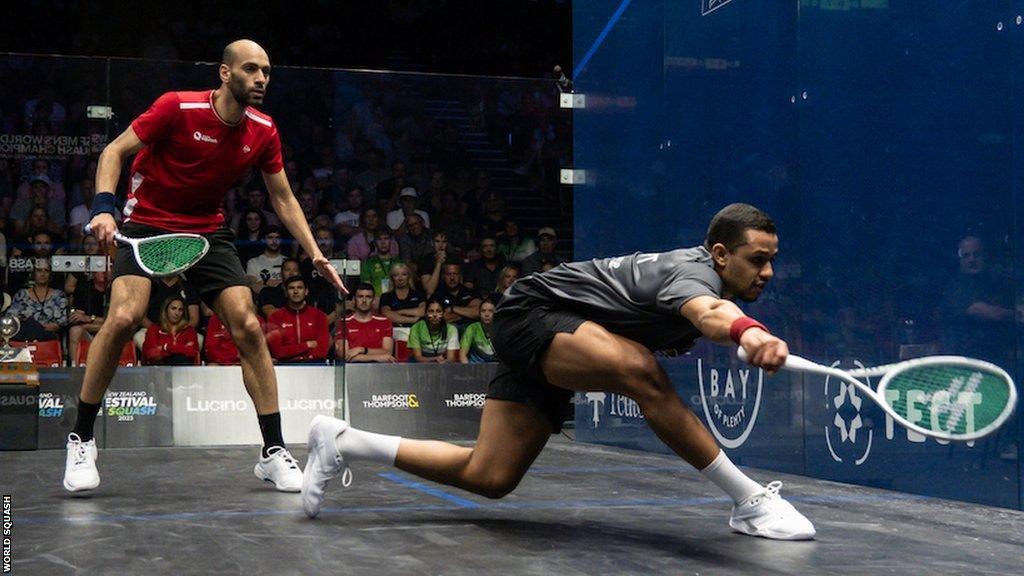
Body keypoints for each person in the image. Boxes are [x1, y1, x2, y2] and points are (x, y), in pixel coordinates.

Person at [302, 203, 816, 541]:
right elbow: (708, 313)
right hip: (531, 314)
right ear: (722, 254)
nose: (767, 272)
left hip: (558, 338)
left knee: (491, 476)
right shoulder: (695, 273)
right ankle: (747, 500)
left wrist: (744, 330)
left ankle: (343, 440)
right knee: (642, 372)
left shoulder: (711, 276)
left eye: (772, 260)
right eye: (757, 259)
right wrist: (750, 331)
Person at [64, 39, 346, 495]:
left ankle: (273, 452)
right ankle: (81, 439)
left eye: (267, 72)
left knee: (249, 326)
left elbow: (282, 197)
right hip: (147, 221)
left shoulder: (263, 129)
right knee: (122, 318)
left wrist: (314, 252)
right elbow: (113, 151)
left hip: (207, 231)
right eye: (251, 70)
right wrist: (102, 208)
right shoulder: (178, 107)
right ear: (225, 73)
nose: (261, 80)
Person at [265, 275, 331, 364]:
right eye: (291, 288)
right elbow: (277, 352)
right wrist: (307, 345)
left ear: (306, 291)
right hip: (285, 366)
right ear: (286, 292)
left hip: (314, 365)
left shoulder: (319, 316)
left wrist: (293, 353)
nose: (296, 291)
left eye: (299, 288)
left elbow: (322, 350)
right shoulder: (275, 318)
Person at [8, 260, 68, 342]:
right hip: (24, 337)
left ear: (50, 274)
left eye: (46, 271)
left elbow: (61, 323)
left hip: (48, 338)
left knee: (32, 325)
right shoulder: (21, 294)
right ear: (33, 273)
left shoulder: (59, 296)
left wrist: (37, 327)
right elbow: (11, 318)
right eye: (39, 270)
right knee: (29, 324)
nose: (43, 274)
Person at [336, 283, 396, 363]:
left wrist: (361, 350)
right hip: (353, 369)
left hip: (379, 369)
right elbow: (345, 356)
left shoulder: (384, 321)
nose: (364, 300)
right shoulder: (344, 322)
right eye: (360, 296)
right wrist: (378, 357)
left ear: (374, 300)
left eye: (368, 297)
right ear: (354, 300)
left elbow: (388, 352)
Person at [142, 297, 200, 365]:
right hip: (159, 369)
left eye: (180, 310)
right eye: (173, 308)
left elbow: (192, 352)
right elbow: (150, 353)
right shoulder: (154, 329)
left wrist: (165, 347)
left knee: (180, 359)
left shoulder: (189, 331)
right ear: (166, 310)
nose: (177, 313)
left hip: (182, 368)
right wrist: (181, 348)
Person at [68, 270, 109, 361]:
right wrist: (103, 323)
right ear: (93, 272)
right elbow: (77, 320)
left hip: (111, 335)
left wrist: (89, 318)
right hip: (88, 335)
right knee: (75, 330)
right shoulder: (83, 288)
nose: (104, 272)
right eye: (100, 268)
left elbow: (116, 321)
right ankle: (75, 368)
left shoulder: (117, 289)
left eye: (107, 268)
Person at [407, 296, 459, 363]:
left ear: (443, 313)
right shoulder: (416, 328)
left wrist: (444, 362)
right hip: (421, 363)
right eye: (431, 311)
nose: (434, 315)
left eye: (438, 311)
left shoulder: (452, 330)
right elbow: (418, 357)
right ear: (426, 313)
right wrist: (435, 359)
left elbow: (451, 358)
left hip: (443, 362)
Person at [379, 262, 426, 327]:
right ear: (392, 278)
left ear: (409, 277)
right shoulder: (386, 296)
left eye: (404, 274)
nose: (400, 278)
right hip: (394, 331)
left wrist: (399, 312)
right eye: (396, 275)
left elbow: (423, 311)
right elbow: (386, 314)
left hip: (416, 331)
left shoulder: (418, 294)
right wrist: (412, 320)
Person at [245, 225, 285, 293]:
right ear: (263, 240)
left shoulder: (287, 261)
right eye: (270, 238)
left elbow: (292, 284)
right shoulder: (253, 262)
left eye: (277, 237)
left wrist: (263, 282)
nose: (274, 241)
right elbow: (253, 286)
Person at [460, 297, 497, 363]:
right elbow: (462, 355)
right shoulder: (472, 328)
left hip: (496, 367)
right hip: (475, 367)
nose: (486, 314)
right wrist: (469, 371)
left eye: (490, 311)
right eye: (483, 311)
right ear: (479, 314)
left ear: (496, 313)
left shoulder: (501, 329)